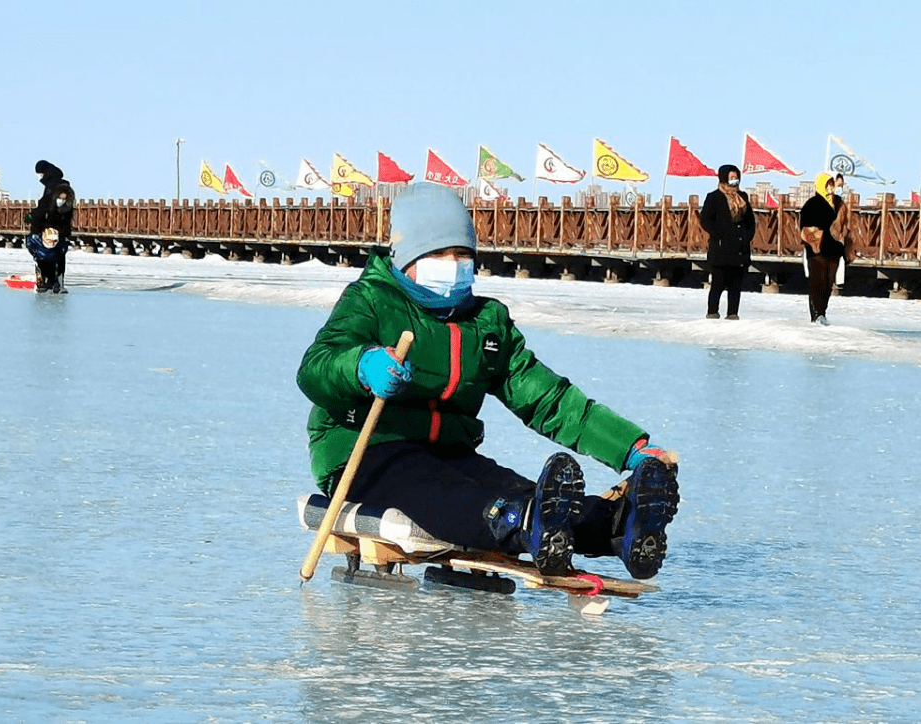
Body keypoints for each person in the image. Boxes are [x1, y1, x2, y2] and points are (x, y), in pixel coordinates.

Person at [296, 183, 680, 580]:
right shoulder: (372, 300)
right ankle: (522, 523)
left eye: (463, 254)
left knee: (523, 492)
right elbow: (316, 367)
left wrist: (630, 448)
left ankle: (618, 526)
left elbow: (547, 398)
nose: (453, 263)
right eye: (438, 254)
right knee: (454, 496)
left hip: (449, 451)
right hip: (366, 452)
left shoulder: (485, 323)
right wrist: (362, 366)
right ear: (406, 258)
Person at [699, 164, 755, 320]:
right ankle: (712, 312)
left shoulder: (742, 196)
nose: (734, 180)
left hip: (739, 248)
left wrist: (747, 236)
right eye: (731, 177)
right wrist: (719, 233)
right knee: (718, 283)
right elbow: (705, 219)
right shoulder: (714, 197)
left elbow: (750, 221)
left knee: (736, 285)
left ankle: (732, 313)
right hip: (721, 248)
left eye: (736, 177)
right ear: (723, 178)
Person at [800, 173, 848, 325]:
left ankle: (823, 311)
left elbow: (846, 225)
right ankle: (817, 314)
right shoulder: (812, 203)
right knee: (817, 281)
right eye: (832, 184)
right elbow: (805, 226)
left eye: (839, 185)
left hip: (834, 249)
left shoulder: (840, 204)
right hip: (817, 250)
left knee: (828, 283)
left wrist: (846, 244)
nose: (835, 188)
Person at [25, 161, 75, 293]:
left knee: (45, 254)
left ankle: (47, 281)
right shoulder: (61, 185)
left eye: (40, 174)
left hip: (50, 228)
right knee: (57, 256)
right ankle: (55, 282)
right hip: (59, 229)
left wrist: (34, 219)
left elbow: (44, 208)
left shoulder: (53, 187)